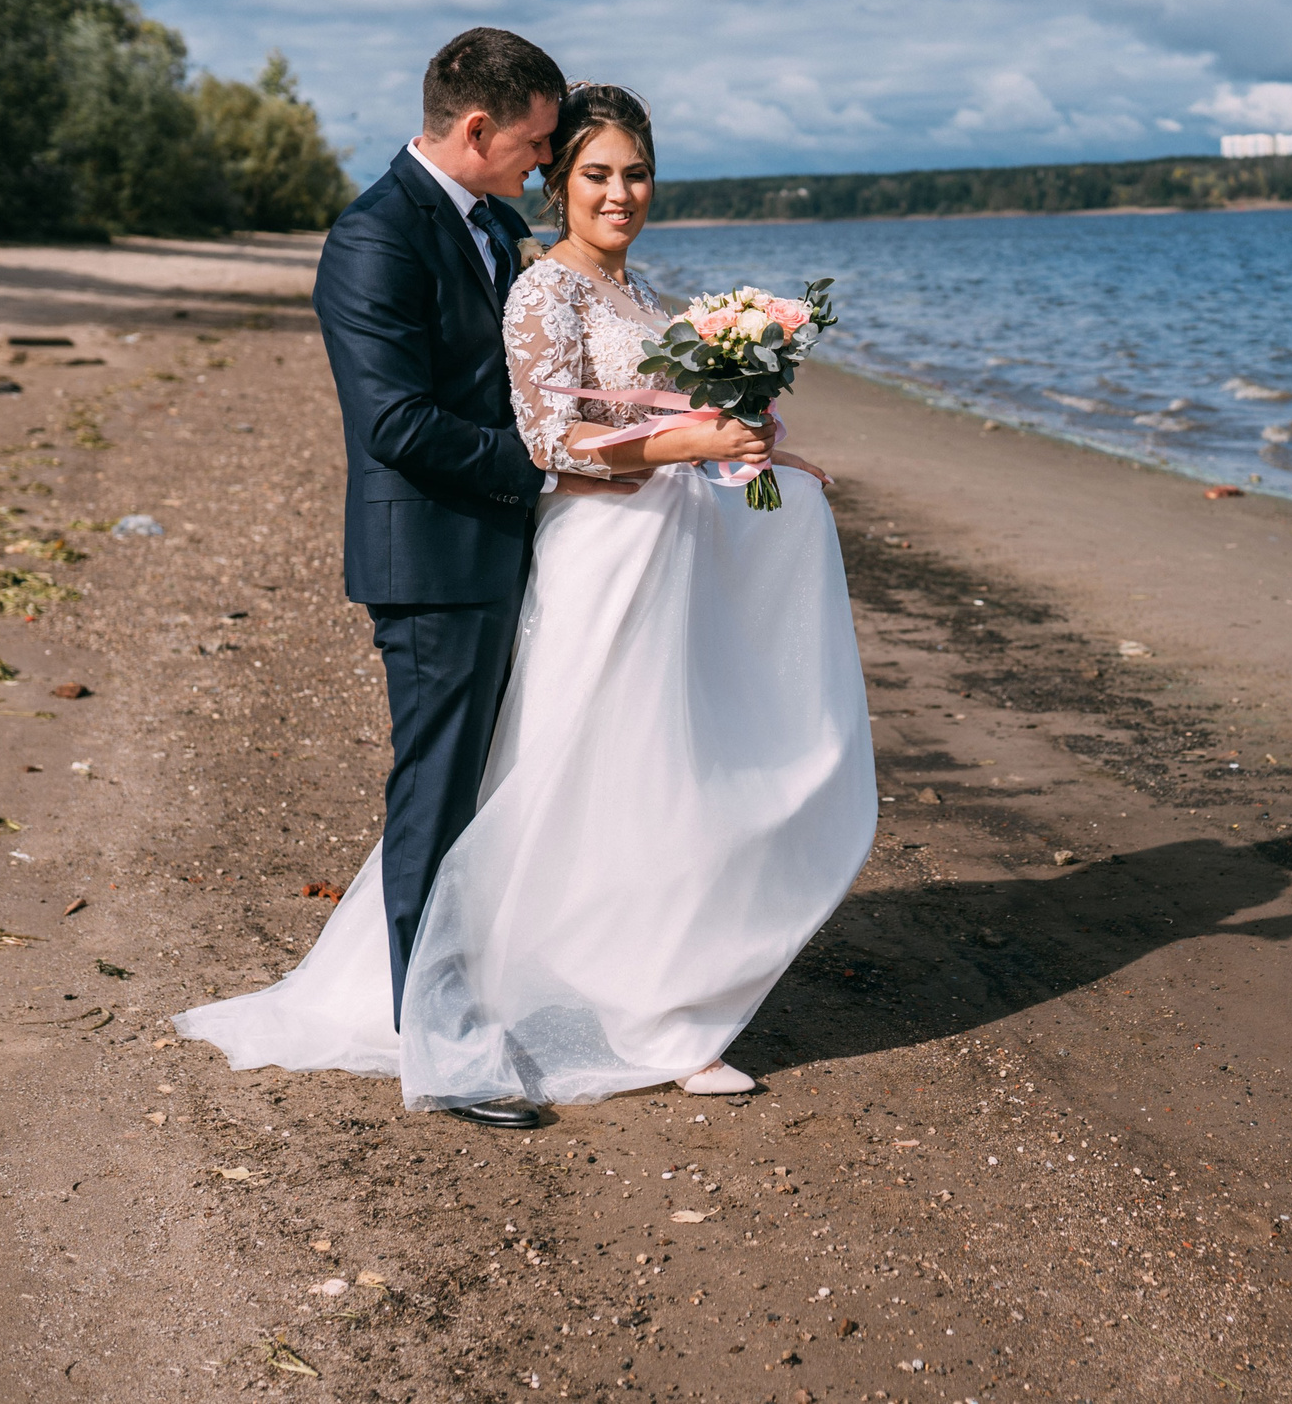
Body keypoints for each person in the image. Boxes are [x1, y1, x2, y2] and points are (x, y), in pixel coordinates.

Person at [176, 73, 876, 1125]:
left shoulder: (622, 286)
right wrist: (688, 440)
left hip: (653, 551)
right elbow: (541, 435)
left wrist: (740, 435)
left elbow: (633, 406)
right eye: (594, 170)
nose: (620, 191)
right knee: (535, 778)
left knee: (658, 775)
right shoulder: (530, 280)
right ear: (548, 174)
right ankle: (457, 1026)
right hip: (578, 552)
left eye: (636, 173)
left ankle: (665, 1010)